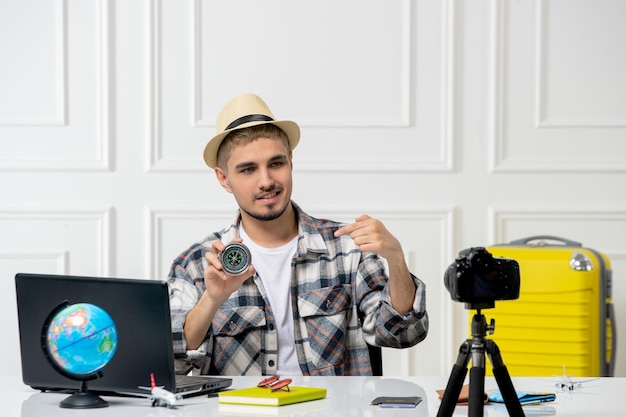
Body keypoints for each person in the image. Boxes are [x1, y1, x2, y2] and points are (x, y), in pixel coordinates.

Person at [167, 93, 428, 376]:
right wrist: (212, 299)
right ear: (223, 178)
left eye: (276, 164)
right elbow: (173, 365)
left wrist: (396, 259)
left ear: (291, 161)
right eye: (248, 170)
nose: (266, 181)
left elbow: (403, 334)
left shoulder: (347, 249)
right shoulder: (194, 265)